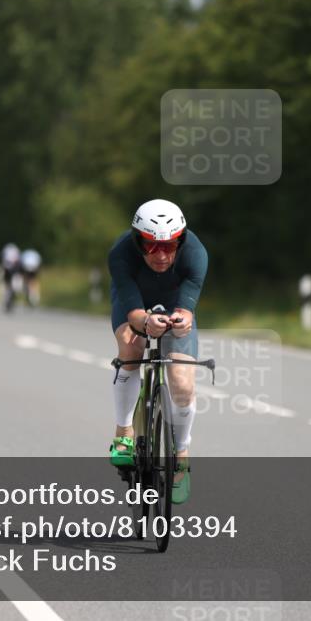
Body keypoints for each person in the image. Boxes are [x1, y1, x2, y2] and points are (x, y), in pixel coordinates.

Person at [107, 199, 207, 504]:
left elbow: (187, 311)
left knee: (183, 384)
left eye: (169, 246)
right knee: (132, 344)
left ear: (182, 240)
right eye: (151, 246)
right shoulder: (121, 254)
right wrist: (146, 321)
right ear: (138, 241)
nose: (161, 255)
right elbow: (133, 311)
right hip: (135, 303)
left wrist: (182, 320)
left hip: (174, 304)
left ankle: (182, 452)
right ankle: (123, 432)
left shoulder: (196, 254)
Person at [1, 243, 23, 312]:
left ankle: (9, 297)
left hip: (12, 272)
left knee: (12, 286)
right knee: (9, 285)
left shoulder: (7, 252)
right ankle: (7, 297)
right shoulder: (14, 253)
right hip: (9, 272)